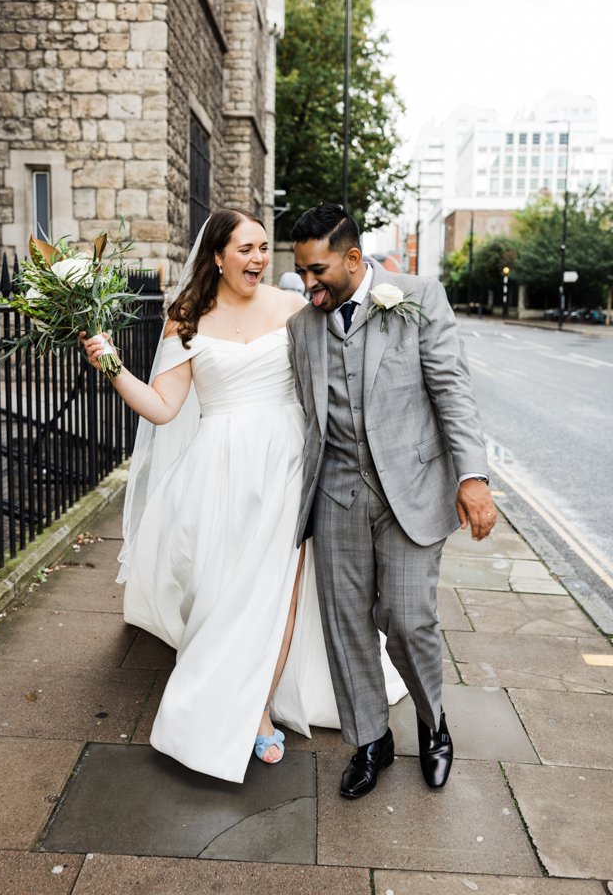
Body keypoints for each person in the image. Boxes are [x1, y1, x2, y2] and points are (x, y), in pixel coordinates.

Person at [82, 208, 406, 784]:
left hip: (286, 462)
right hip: (219, 467)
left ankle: (256, 709)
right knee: (221, 591)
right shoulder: (184, 319)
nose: (259, 259)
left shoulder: (291, 308)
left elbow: (345, 362)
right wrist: (109, 363)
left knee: (280, 586)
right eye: (246, 249)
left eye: (263, 247)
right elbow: (163, 408)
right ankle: (217, 689)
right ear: (216, 256)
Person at [288, 203, 496, 800]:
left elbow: (452, 390)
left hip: (412, 490)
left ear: (354, 259)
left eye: (318, 270)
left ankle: (434, 724)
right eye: (301, 271)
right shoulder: (302, 325)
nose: (307, 284)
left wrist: (472, 477)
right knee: (346, 625)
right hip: (335, 494)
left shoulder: (418, 297)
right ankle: (370, 738)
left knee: (408, 621)